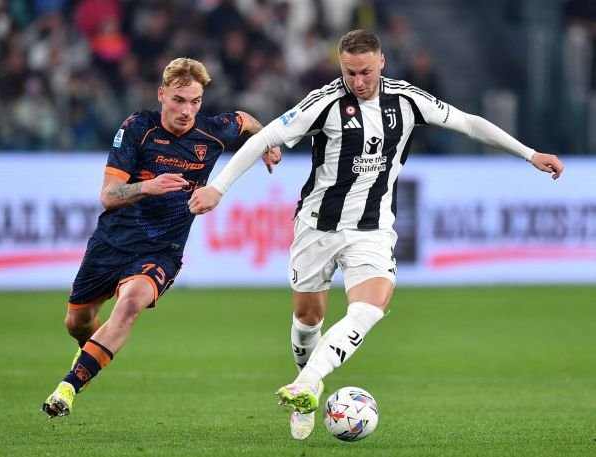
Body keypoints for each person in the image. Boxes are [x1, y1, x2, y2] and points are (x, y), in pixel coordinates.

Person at [187, 29, 564, 440]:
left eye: (366, 71)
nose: (358, 81)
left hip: (372, 230)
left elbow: (469, 124)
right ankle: (306, 379)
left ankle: (306, 385)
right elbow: (264, 138)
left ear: (381, 62)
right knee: (307, 320)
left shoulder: (407, 100)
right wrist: (218, 188)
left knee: (370, 307)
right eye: (350, 72)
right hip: (316, 226)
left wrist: (529, 153)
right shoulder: (324, 103)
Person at [41, 57, 281, 418]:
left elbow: (245, 120)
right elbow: (108, 195)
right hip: (112, 243)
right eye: (179, 100)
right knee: (77, 322)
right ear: (161, 95)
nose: (187, 111)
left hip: (162, 250)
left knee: (130, 305)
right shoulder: (138, 128)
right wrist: (148, 186)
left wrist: (265, 144)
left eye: (195, 102)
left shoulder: (212, 132)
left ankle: (67, 389)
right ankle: (88, 351)